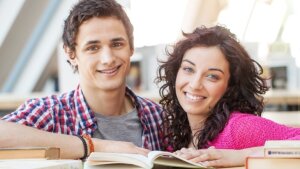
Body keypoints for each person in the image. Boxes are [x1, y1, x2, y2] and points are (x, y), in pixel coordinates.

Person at [0, 0, 164, 159]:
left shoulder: (157, 116)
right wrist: (94, 146)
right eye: (93, 48)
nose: (108, 58)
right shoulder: (51, 113)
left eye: (117, 44)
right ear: (71, 54)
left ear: (131, 47)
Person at [155, 25, 300, 167]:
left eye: (212, 76)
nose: (194, 84)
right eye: (188, 69)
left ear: (230, 86)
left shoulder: (238, 127)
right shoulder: (175, 133)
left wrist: (242, 156)